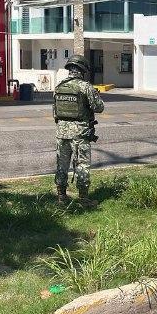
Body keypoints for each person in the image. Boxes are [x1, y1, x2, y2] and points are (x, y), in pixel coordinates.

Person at [53, 55, 104, 208]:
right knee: (82, 165)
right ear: (82, 70)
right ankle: (83, 199)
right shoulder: (85, 86)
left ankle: (61, 196)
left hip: (61, 132)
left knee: (61, 165)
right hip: (80, 133)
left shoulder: (59, 86)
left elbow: (55, 113)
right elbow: (98, 107)